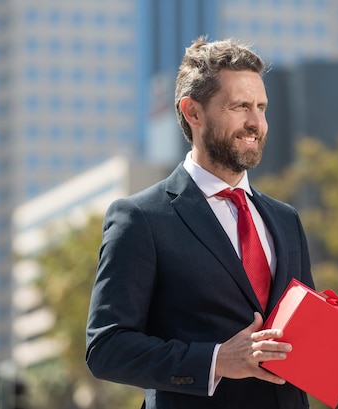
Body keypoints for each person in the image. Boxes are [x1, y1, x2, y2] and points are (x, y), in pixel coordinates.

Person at [86, 36, 315, 409]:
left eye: (261, 107)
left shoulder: (285, 220)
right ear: (193, 112)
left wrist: (329, 351)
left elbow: (296, 332)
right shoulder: (141, 218)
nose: (255, 122)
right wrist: (215, 360)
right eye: (240, 106)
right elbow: (106, 347)